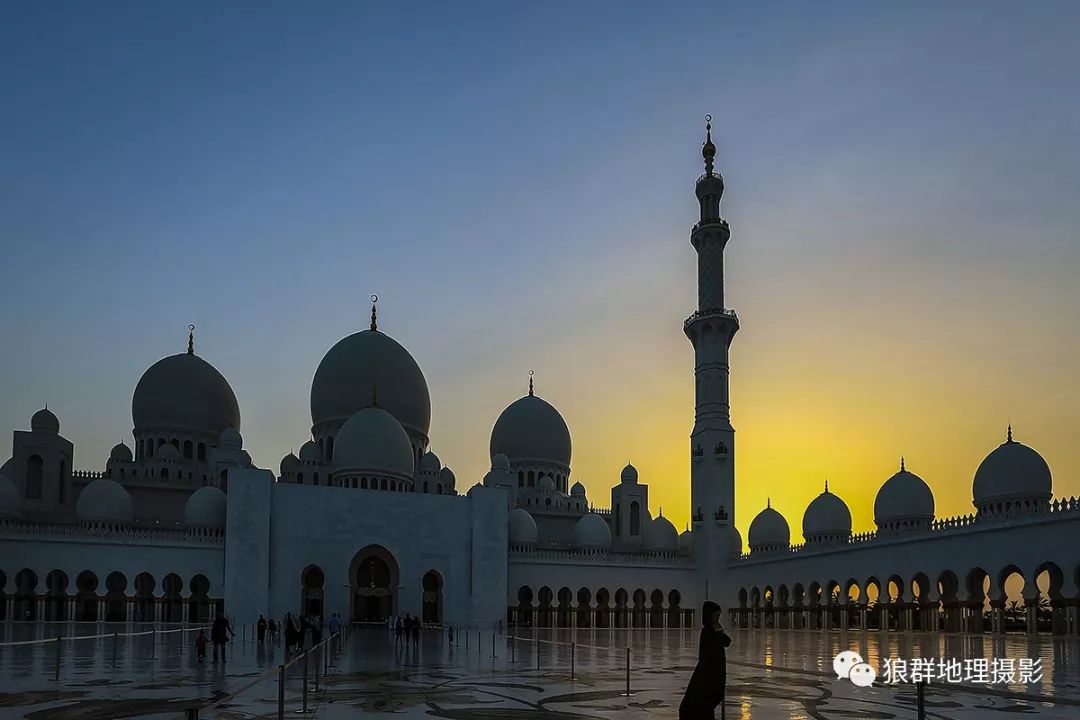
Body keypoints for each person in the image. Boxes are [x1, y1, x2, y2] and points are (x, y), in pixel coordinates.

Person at [678, 601, 731, 720]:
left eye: (718, 616)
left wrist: (720, 631)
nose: (717, 619)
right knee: (697, 707)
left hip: (714, 676)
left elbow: (727, 642)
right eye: (716, 616)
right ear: (709, 616)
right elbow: (705, 656)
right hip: (705, 675)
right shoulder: (706, 632)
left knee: (705, 706)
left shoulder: (716, 630)